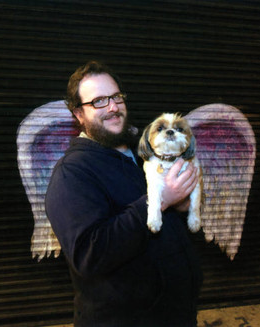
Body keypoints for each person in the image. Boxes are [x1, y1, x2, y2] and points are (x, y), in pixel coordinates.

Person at [45, 61, 202, 327]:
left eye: (116, 97)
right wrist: (160, 201)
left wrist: (183, 204)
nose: (113, 107)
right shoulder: (72, 174)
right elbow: (89, 255)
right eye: (98, 101)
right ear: (78, 115)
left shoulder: (145, 151)